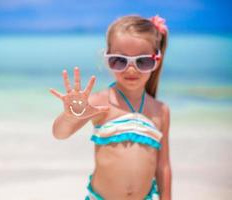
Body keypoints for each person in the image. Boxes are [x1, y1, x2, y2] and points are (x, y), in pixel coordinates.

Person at [50, 14, 172, 200]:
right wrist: (71, 114)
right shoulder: (101, 102)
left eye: (142, 61)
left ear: (156, 61)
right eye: (120, 60)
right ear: (107, 59)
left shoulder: (160, 111)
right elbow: (60, 133)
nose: (131, 70)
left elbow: (163, 166)